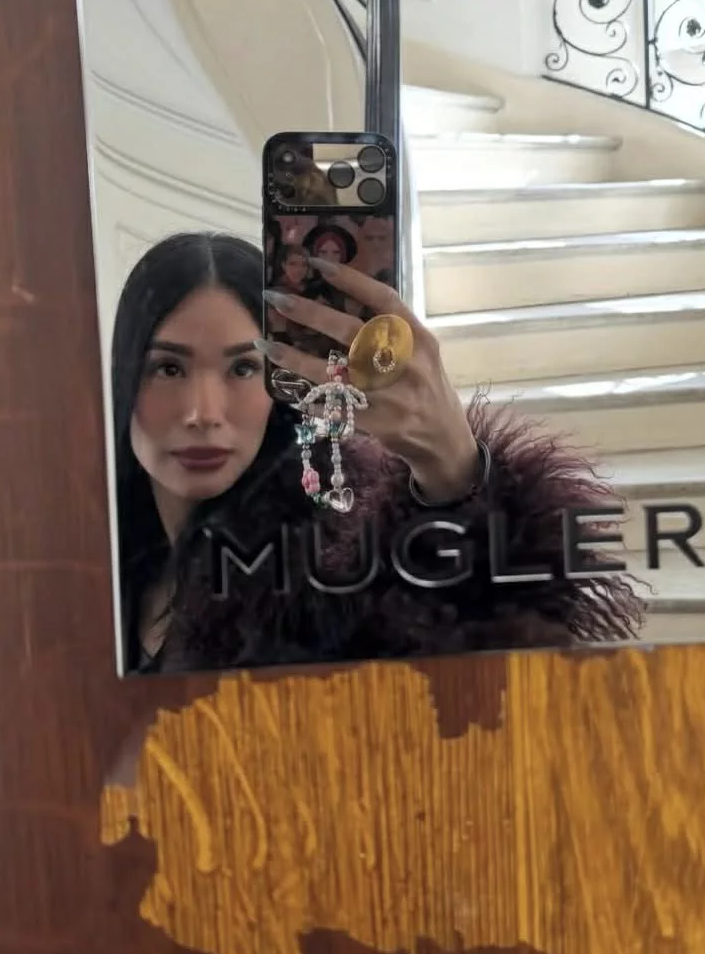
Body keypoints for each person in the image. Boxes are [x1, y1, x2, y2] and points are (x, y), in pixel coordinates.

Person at [111, 230, 645, 673]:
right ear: (123, 375)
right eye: (169, 368)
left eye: (244, 367)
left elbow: (497, 671)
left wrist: (454, 469)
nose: (202, 412)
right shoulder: (94, 561)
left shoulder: (331, 567)